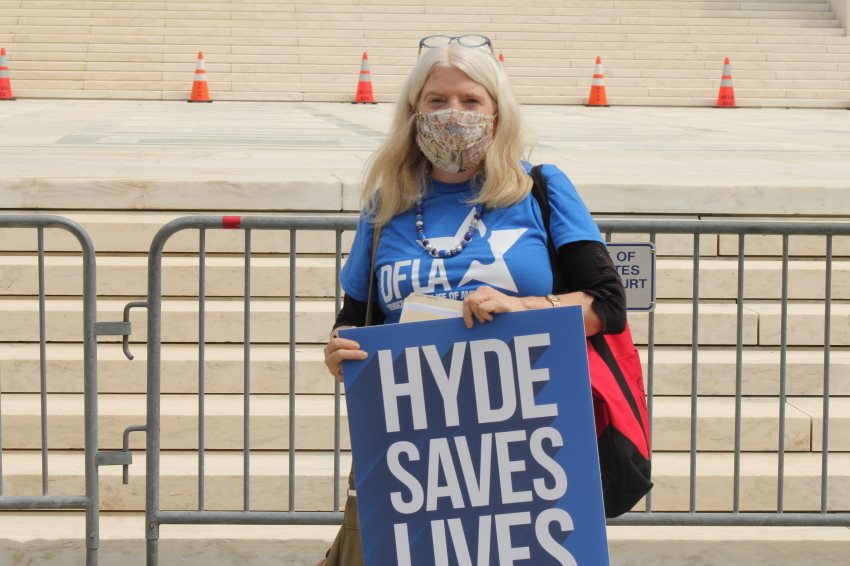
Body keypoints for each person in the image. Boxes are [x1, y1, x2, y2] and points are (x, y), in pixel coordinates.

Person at [318, 34, 626, 566]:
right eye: (436, 101)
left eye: (470, 100)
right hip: (410, 443)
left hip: (523, 437)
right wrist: (339, 352)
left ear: (498, 113)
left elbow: (608, 305)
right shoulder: (386, 202)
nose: (452, 113)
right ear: (413, 114)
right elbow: (353, 317)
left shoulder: (540, 190)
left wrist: (525, 308)